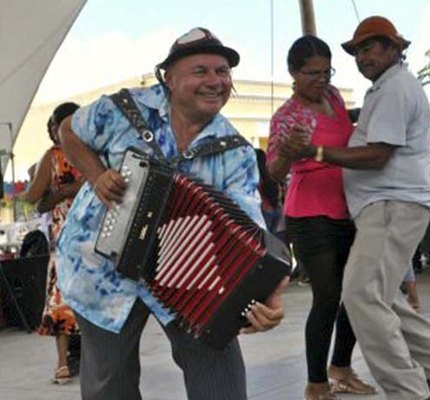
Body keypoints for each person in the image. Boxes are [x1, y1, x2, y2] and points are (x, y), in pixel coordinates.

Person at [56, 27, 288, 400]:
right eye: (201, 71)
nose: (215, 81)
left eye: (223, 72)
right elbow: (70, 131)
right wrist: (97, 176)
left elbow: (250, 234)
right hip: (100, 268)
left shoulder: (235, 151)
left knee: (222, 382)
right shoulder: (122, 110)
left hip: (185, 273)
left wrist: (271, 293)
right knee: (109, 384)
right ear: (169, 78)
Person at [289, 16, 430, 400]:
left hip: (390, 204)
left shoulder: (393, 89)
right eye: (357, 51)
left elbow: (377, 156)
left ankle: (406, 390)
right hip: (387, 205)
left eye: (370, 47)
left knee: (359, 296)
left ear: (394, 48)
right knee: (377, 295)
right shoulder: (385, 88)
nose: (362, 57)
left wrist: (315, 151)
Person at [267, 35, 375, 400]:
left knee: (357, 294)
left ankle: (341, 368)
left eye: (326, 71)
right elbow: (273, 172)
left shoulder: (333, 98)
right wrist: (286, 151)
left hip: (349, 206)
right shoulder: (286, 116)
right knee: (328, 296)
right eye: (312, 73)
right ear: (293, 73)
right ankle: (316, 383)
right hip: (310, 212)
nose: (321, 79)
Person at [24, 104, 84, 384]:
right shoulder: (95, 153)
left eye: (54, 125)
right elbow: (40, 202)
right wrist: (63, 191)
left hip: (71, 241)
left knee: (62, 299)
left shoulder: (55, 157)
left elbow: (32, 196)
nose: (52, 131)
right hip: (87, 239)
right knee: (74, 300)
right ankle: (71, 362)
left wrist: (51, 186)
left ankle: (65, 364)